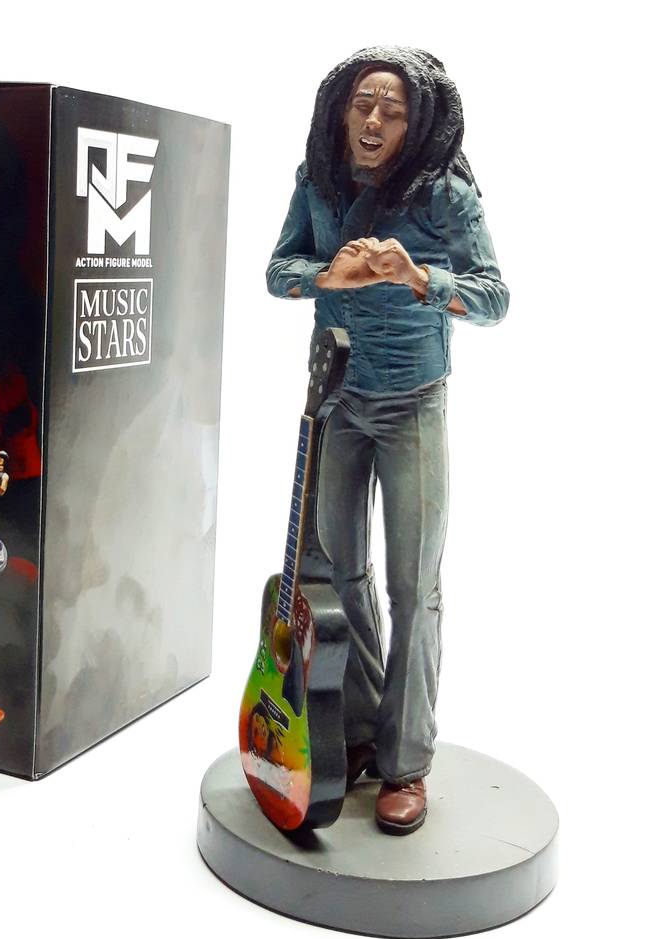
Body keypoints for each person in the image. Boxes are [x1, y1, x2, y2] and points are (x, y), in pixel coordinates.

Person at [266, 46, 509, 834]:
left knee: (415, 588)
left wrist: (419, 278)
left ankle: (407, 761)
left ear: (418, 123)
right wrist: (325, 277)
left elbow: (495, 297)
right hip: (338, 399)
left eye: (393, 110)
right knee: (340, 577)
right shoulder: (319, 182)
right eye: (362, 104)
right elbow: (279, 268)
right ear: (341, 110)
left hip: (412, 407)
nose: (373, 121)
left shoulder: (444, 196)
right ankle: (366, 726)